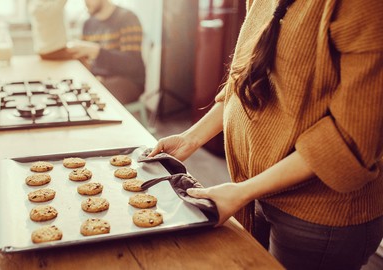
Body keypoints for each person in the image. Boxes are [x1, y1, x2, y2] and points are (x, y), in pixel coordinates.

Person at [148, 0, 383, 269]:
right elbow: (246, 83)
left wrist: (244, 191)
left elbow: (351, 138)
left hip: (321, 215)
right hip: (256, 190)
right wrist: (192, 138)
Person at [66, 0, 146, 104]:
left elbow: (132, 63)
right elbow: (88, 62)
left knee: (89, 97)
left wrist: (96, 51)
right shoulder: (88, 23)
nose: (85, 2)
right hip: (99, 78)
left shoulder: (127, 18)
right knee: (71, 90)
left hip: (129, 81)